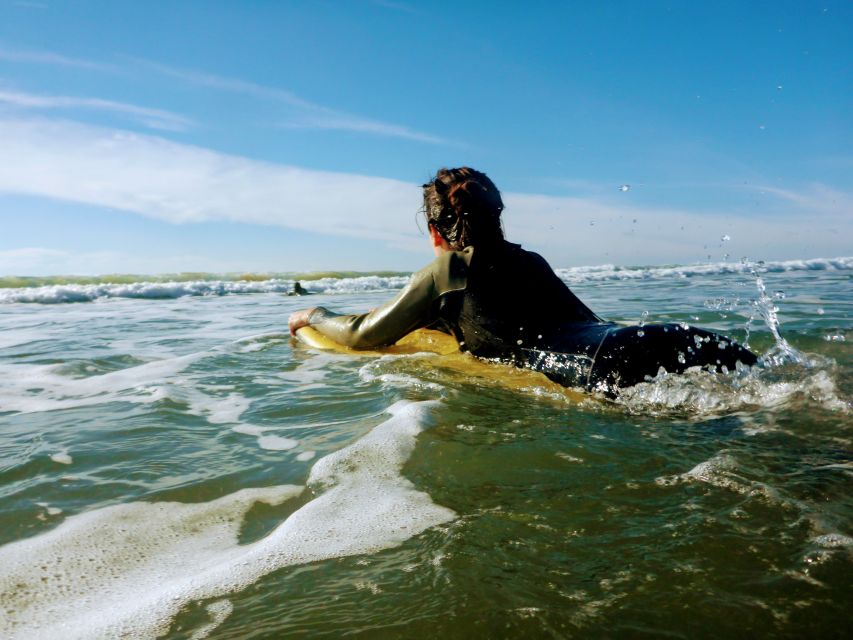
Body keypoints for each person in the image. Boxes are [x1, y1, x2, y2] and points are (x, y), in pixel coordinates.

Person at [289, 167, 757, 397]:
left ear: (435, 230)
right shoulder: (531, 261)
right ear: (498, 218)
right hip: (667, 339)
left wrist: (314, 314)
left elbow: (362, 335)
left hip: (605, 370)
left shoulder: (447, 271)